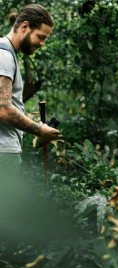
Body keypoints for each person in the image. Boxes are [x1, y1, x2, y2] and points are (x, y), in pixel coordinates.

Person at [0, 4, 59, 177]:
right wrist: (38, 130)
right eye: (40, 37)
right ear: (24, 26)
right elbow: (3, 109)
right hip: (4, 154)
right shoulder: (4, 56)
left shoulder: (7, 53)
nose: (42, 43)